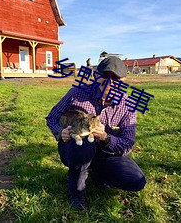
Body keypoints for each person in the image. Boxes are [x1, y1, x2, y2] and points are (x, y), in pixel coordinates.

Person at [46, 56, 146, 210]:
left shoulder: (128, 106)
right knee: (84, 143)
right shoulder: (77, 93)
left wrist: (106, 137)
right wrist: (60, 132)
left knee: (136, 180)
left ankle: (97, 173)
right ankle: (77, 193)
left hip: (106, 152)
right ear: (96, 76)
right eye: (105, 76)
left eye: (116, 78)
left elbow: (127, 144)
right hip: (75, 147)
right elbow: (52, 116)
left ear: (124, 80)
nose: (109, 82)